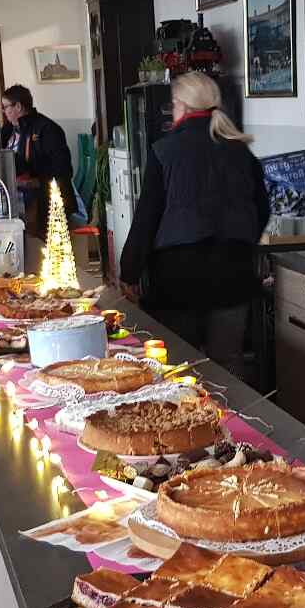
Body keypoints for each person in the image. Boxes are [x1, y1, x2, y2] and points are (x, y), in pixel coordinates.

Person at [119, 73, 269, 380]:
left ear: (182, 106)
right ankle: (232, 412)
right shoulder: (241, 152)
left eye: (173, 105)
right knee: (228, 363)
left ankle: (185, 412)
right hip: (233, 273)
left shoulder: (164, 150)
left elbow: (147, 217)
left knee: (178, 363)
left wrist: (129, 272)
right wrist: (240, 243)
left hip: (178, 277)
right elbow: (262, 209)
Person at [0, 84, 74, 240]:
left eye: (5, 107)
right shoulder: (8, 130)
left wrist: (36, 181)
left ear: (18, 106)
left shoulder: (47, 129)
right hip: (15, 199)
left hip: (44, 203)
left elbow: (63, 170)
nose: (4, 112)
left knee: (37, 249)